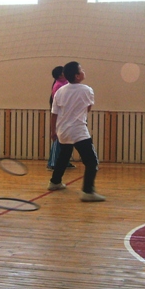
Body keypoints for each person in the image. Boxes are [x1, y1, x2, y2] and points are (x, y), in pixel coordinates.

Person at [47, 61, 105, 202]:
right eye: (81, 70)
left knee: (64, 156)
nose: (84, 71)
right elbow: (88, 108)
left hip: (63, 131)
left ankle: (55, 182)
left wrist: (53, 131)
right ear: (77, 76)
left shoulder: (60, 91)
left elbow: (54, 113)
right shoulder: (87, 90)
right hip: (78, 131)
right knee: (92, 161)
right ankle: (88, 191)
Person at [47, 66, 75, 171]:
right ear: (60, 76)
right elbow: (60, 102)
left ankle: (64, 161)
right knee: (58, 138)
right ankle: (52, 162)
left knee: (66, 138)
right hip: (60, 115)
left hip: (67, 115)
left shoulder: (67, 83)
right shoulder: (58, 86)